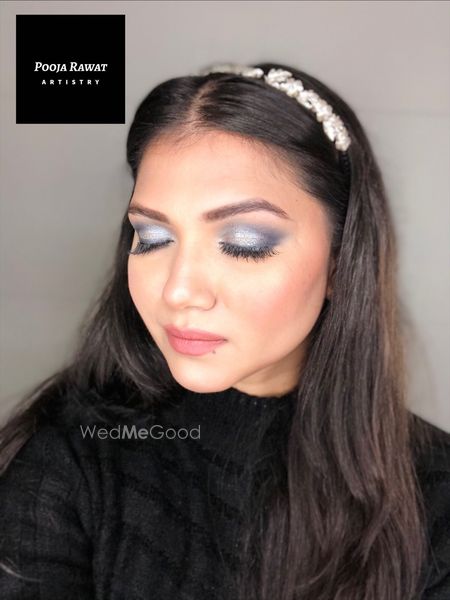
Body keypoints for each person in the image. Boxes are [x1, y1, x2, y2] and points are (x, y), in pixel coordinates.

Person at [0, 61, 449, 600]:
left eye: (243, 243)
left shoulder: (436, 493)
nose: (178, 290)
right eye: (152, 238)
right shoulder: (73, 455)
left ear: (340, 261)